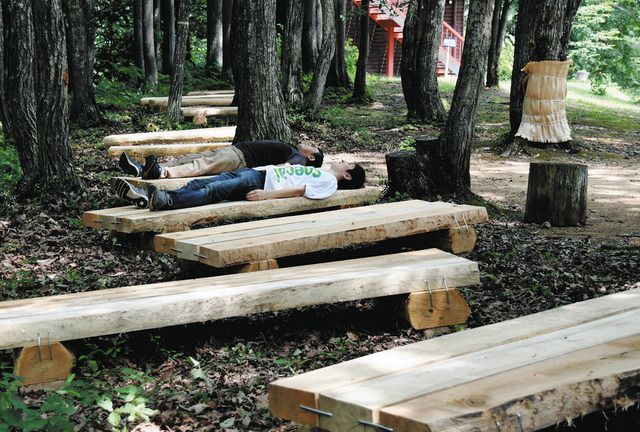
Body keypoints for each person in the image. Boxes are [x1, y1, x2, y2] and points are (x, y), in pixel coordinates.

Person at [114, 162, 366, 211]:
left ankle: (165, 201)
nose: (343, 161)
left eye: (348, 164)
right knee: (203, 182)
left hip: (262, 182)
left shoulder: (329, 182)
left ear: (346, 176)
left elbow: (302, 191)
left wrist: (267, 195)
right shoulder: (322, 174)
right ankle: (154, 197)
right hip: (257, 173)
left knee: (214, 192)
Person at [118, 140, 323, 180]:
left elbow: (288, 168)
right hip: (236, 151)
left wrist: (257, 172)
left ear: (311, 155)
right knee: (193, 157)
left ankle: (162, 173)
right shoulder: (293, 150)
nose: (307, 142)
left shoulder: (299, 158)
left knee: (203, 165)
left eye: (311, 146)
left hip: (241, 158)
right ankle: (145, 169)